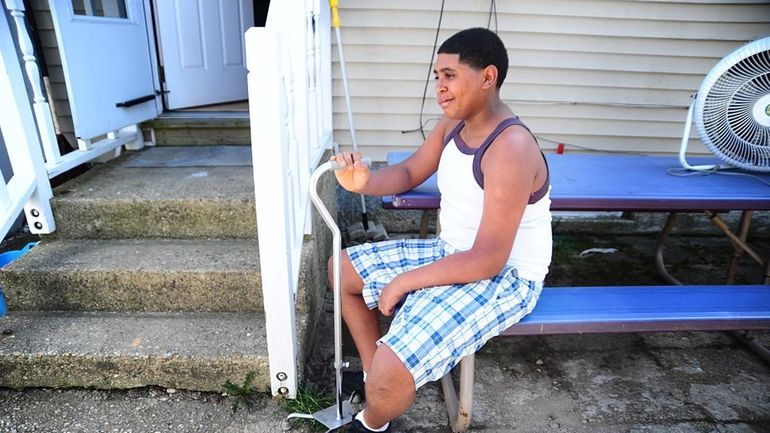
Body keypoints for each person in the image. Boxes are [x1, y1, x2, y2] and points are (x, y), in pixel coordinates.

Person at [329, 27, 552, 432]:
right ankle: (370, 376)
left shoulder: (511, 147)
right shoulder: (453, 126)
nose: (440, 88)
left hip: (505, 276)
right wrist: (363, 182)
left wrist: (404, 283)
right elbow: (411, 170)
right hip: (453, 252)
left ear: (488, 77)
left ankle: (373, 421)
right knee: (341, 269)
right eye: (437, 77)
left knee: (393, 367)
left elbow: (488, 259)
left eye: (449, 75)